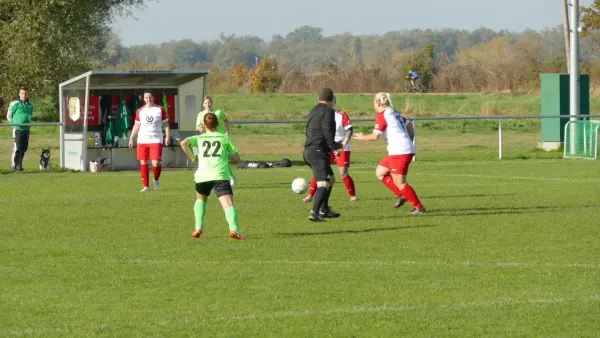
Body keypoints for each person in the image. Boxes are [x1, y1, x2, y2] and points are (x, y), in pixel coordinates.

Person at [354, 92, 425, 214]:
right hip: (400, 149)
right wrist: (408, 140)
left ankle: (419, 207)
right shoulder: (394, 113)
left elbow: (375, 136)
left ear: (377, 102)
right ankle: (401, 195)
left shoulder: (383, 115)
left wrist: (362, 137)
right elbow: (410, 127)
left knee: (400, 182)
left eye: (373, 102)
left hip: (400, 151)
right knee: (380, 172)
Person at [181, 112, 245, 240]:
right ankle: (234, 229)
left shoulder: (199, 138)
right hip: (220, 175)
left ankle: (198, 227)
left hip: (203, 176)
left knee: (200, 200)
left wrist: (193, 157)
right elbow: (237, 158)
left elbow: (183, 143)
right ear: (217, 124)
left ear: (204, 125)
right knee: (228, 205)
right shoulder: (224, 138)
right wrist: (227, 158)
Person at [303, 95, 357, 202]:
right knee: (320, 170)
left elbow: (349, 129)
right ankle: (310, 195)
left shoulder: (340, 114)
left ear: (333, 102)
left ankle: (353, 195)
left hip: (341, 146)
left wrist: (344, 144)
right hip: (327, 146)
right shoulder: (321, 114)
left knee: (343, 173)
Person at [303, 88, 343, 222]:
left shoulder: (313, 110)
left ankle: (324, 210)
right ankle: (314, 213)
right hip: (317, 151)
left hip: (310, 150)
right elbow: (326, 130)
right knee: (323, 184)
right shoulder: (329, 111)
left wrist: (334, 144)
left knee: (330, 179)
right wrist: (334, 148)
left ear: (318, 98)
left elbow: (316, 131)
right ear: (332, 100)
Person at [128, 89, 170, 192]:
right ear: (144, 99)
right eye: (146, 97)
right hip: (142, 140)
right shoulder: (140, 111)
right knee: (143, 162)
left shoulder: (160, 109)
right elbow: (136, 126)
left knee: (156, 163)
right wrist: (131, 138)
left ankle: (156, 180)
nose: (148, 99)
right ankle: (146, 186)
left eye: (150, 97)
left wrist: (167, 137)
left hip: (156, 139)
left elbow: (166, 124)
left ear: (153, 98)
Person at [195, 95, 237, 186]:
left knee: (223, 158)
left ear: (212, 103)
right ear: (203, 104)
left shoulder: (218, 112)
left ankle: (231, 177)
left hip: (220, 138)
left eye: (209, 102)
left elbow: (226, 121)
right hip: (208, 140)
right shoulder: (201, 114)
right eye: (206, 103)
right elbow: (197, 126)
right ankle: (220, 177)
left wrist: (226, 132)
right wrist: (200, 129)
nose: (208, 104)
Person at [7, 87, 34, 172]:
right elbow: (9, 116)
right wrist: (15, 124)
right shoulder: (14, 103)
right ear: (19, 94)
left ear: (27, 94)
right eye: (22, 93)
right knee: (17, 148)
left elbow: (31, 114)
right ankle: (14, 166)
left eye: (25, 93)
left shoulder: (30, 104)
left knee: (23, 148)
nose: (24, 95)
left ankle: (19, 166)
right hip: (17, 129)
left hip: (26, 129)